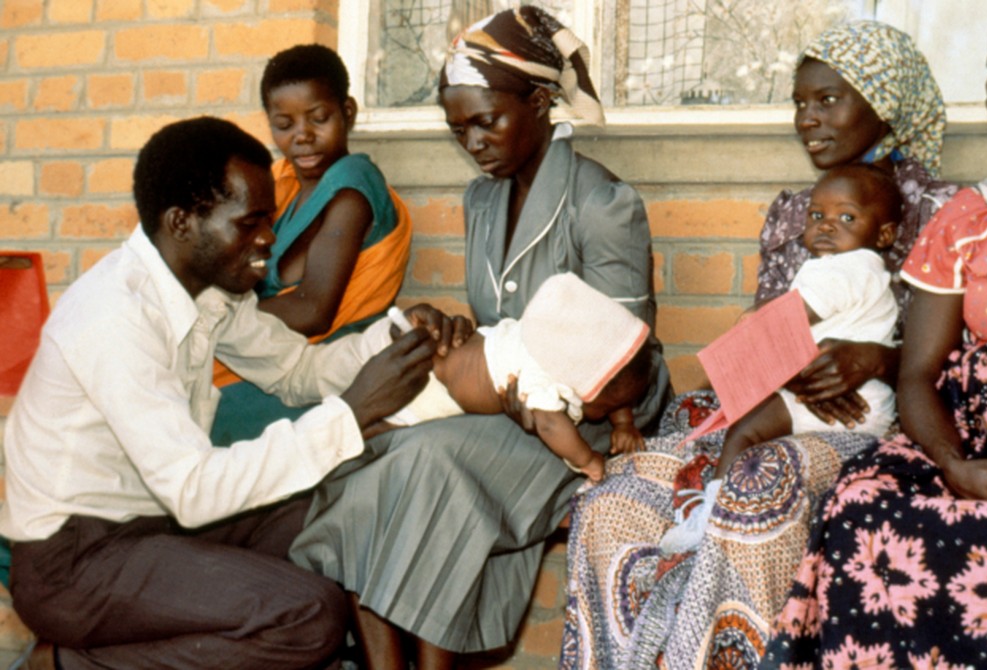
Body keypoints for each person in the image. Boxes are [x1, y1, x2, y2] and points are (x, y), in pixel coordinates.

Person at [560, 20, 959, 670]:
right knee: (615, 494)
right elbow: (767, 334)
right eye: (801, 102)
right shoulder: (792, 210)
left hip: (873, 423)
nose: (809, 118)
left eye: (829, 99)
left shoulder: (946, 210)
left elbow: (960, 362)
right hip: (781, 398)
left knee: (759, 481)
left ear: (883, 101)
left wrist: (877, 360)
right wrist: (758, 379)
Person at [289, 7, 672, 669]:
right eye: (457, 128)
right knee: (362, 450)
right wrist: (460, 332)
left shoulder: (600, 203)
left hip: (595, 412)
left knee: (425, 462)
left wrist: (541, 393)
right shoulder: (484, 201)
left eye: (486, 120)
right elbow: (506, 321)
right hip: (515, 392)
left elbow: (620, 350)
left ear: (542, 100)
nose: (473, 141)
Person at [1, 116, 459, 670]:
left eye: (268, 218)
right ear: (182, 222)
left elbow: (296, 372)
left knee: (343, 517)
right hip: (75, 563)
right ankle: (65, 666)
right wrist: (355, 411)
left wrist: (397, 338)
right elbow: (193, 489)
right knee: (307, 616)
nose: (269, 237)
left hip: (154, 527)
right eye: (251, 222)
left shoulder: (209, 291)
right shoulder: (114, 315)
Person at [761, 4, 987, 666]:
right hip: (968, 432)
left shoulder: (926, 201)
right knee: (861, 509)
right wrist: (954, 464)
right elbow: (919, 373)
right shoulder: (972, 215)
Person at [661, 164, 902, 554]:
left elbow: (780, 326)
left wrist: (733, 357)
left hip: (838, 405)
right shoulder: (866, 271)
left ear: (884, 233)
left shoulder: (846, 269)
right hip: (863, 407)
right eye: (816, 215)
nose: (825, 226)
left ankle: (708, 519)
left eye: (846, 217)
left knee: (744, 431)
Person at [210, 43, 412, 444]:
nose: (303, 136)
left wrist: (213, 320)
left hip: (328, 366)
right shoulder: (281, 185)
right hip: (267, 355)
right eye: (284, 125)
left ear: (347, 113)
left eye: (318, 118)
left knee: (199, 422)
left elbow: (315, 309)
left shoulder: (353, 185)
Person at [368, 273, 654, 481]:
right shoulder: (541, 377)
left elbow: (614, 381)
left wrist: (624, 423)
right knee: (391, 429)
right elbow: (551, 426)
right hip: (435, 387)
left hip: (457, 351)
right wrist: (588, 460)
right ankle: (359, 433)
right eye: (611, 408)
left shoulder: (561, 339)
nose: (615, 410)